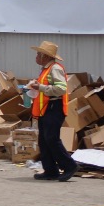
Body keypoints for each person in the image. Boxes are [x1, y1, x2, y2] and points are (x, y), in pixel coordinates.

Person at [29, 40, 76, 182]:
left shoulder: (55, 69)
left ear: (46, 56)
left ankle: (70, 166)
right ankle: (50, 171)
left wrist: (40, 88)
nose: (36, 56)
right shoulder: (46, 69)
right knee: (43, 140)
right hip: (46, 109)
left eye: (39, 54)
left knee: (52, 139)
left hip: (54, 108)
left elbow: (61, 89)